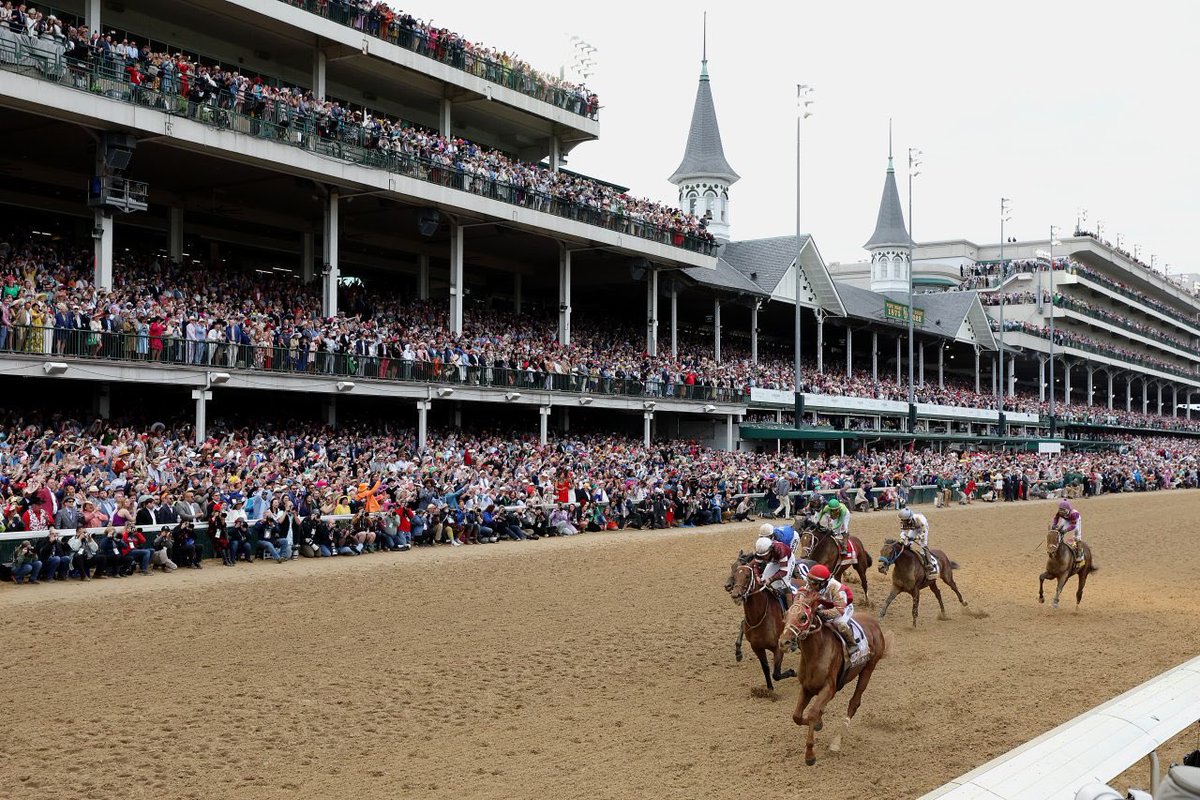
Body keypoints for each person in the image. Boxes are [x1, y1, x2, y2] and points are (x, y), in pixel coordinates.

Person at [805, 563, 866, 665]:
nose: (810, 585)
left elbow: (839, 610)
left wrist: (821, 612)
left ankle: (852, 645)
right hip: (827, 603)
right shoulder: (814, 583)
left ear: (823, 583)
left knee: (840, 623)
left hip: (844, 606)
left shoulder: (837, 588)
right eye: (809, 581)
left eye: (814, 583)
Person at [752, 534, 796, 611]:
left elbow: (783, 572)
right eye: (762, 556)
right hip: (774, 561)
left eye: (765, 555)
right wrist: (757, 576)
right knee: (763, 579)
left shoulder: (781, 550)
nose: (763, 558)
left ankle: (790, 610)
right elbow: (756, 566)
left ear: (771, 550)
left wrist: (771, 579)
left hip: (787, 560)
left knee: (784, 583)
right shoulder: (760, 553)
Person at [898, 508, 937, 576]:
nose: (903, 522)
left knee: (923, 545)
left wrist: (916, 538)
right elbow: (903, 532)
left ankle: (930, 563)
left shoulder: (921, 521)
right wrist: (903, 539)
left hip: (923, 529)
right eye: (902, 520)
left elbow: (923, 533)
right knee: (907, 544)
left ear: (909, 519)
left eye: (905, 520)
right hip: (914, 529)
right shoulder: (904, 521)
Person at [1051, 500, 1085, 565]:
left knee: (1077, 537)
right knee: (1059, 533)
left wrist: (1065, 530)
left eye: (1063, 510)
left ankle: (1080, 554)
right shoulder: (1060, 512)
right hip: (1066, 520)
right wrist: (1054, 524)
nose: (1061, 512)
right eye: (1060, 510)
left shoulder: (1074, 514)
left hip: (1075, 521)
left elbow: (1073, 526)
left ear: (1068, 509)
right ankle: (1057, 549)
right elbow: (1056, 518)